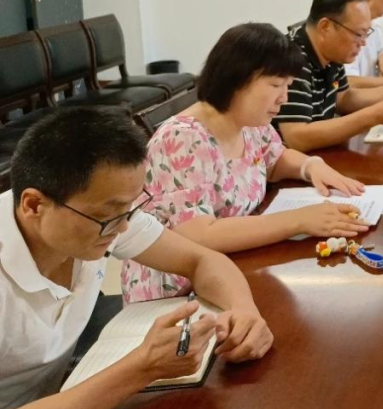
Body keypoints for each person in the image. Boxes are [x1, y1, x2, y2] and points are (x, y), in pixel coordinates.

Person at [0, 108, 273, 409]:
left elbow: (203, 261)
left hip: (66, 404)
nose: (123, 229)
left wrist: (243, 311)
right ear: (33, 205)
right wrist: (142, 367)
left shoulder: (101, 215)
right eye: (107, 217)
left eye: (129, 210)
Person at [122, 23, 369, 303]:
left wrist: (310, 166)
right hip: (181, 288)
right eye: (275, 85)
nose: (284, 98)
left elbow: (274, 159)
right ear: (237, 79)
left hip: (234, 263)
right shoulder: (182, 139)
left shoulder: (249, 122)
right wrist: (300, 220)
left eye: (287, 86)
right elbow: (200, 235)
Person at [274, 0, 383, 152]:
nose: (363, 43)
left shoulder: (331, 52)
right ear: (325, 27)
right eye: (358, 34)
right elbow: (296, 137)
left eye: (366, 33)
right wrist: (373, 116)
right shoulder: (291, 59)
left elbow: (343, 98)